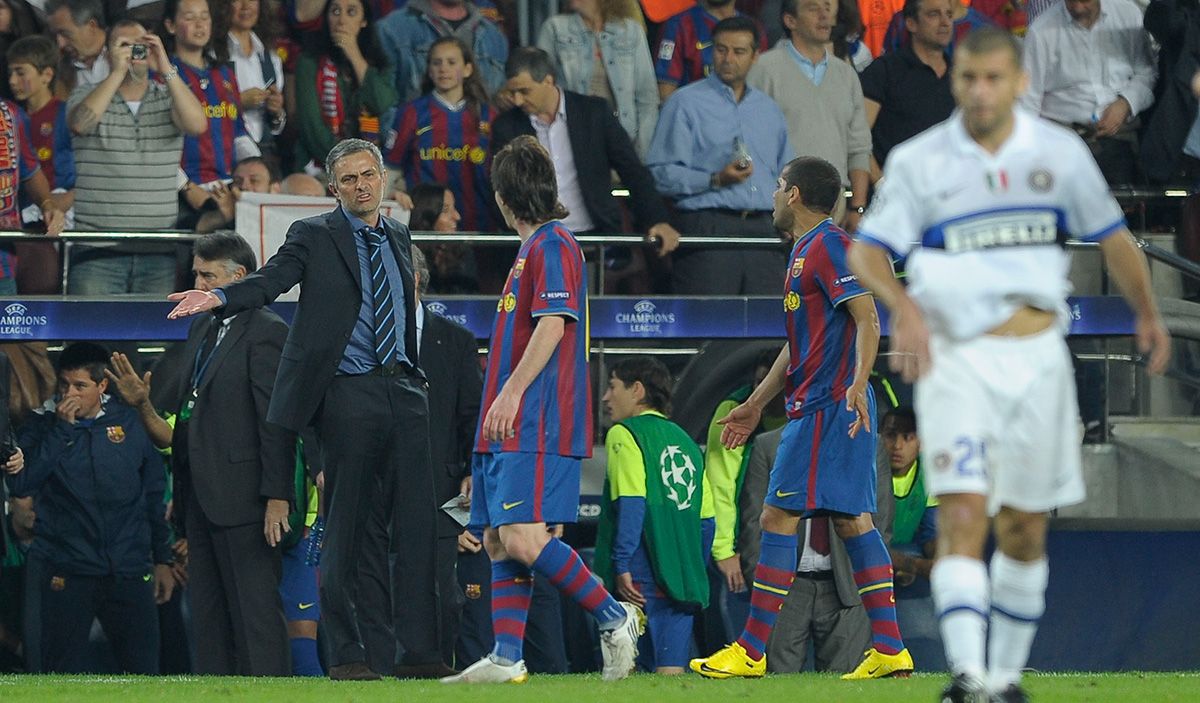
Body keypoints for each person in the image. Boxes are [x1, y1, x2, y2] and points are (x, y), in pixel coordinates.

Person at [847, 27, 1171, 701]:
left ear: (1020, 82)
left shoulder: (1058, 152)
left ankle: (1006, 678)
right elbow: (867, 250)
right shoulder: (920, 159)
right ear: (956, 81)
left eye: (994, 78)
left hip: (1037, 360)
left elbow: (1114, 237)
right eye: (969, 79)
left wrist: (1147, 311)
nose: (981, 91)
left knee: (1024, 526)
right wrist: (901, 305)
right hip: (957, 360)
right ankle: (967, 677)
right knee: (963, 513)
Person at [166, 137, 445, 681]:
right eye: (349, 179)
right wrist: (220, 298)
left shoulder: (398, 232)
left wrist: (416, 377)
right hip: (348, 393)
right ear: (334, 189)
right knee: (345, 531)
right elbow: (270, 282)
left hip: (405, 392)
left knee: (417, 528)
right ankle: (346, 656)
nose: (362, 186)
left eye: (369, 175)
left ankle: (420, 654)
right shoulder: (313, 235)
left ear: (382, 178)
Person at [690, 155, 911, 680]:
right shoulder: (805, 252)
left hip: (828, 405)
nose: (771, 194)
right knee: (852, 518)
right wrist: (758, 402)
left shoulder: (829, 246)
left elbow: (868, 317)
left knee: (776, 517)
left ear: (793, 195)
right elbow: (799, 346)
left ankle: (750, 650)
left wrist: (857, 384)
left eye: (777, 186)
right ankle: (890, 648)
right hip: (826, 402)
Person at [440, 135, 643, 684]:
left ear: (503, 197)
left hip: (537, 418)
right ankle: (508, 657)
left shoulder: (554, 245)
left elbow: (554, 325)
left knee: (526, 537)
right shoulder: (531, 251)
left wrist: (509, 393)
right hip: (507, 423)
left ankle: (613, 614)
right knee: (497, 538)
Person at [6, 342, 174, 674]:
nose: (70, 393)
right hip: (67, 568)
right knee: (61, 674)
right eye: (64, 384)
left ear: (102, 386)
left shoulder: (130, 422)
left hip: (128, 568)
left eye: (80, 386)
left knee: (144, 674)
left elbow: (154, 496)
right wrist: (62, 431)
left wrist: (163, 559)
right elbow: (22, 482)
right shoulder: (40, 426)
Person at [646, 17, 792, 295]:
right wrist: (714, 179)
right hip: (708, 225)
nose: (728, 59)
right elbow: (660, 173)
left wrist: (791, 219)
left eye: (738, 52)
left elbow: (787, 173)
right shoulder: (684, 103)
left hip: (765, 228)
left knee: (768, 325)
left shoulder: (769, 109)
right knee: (708, 324)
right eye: (721, 49)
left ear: (755, 56)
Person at [492, 48, 681, 254]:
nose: (518, 100)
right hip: (534, 243)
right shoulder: (506, 126)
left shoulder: (594, 113)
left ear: (548, 80)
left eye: (524, 91)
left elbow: (632, 170)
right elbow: (503, 188)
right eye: (512, 93)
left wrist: (657, 220)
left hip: (595, 237)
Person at [66, 19, 207, 294]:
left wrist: (165, 65)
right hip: (96, 249)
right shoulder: (85, 94)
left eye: (142, 45)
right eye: (125, 45)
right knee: (92, 336)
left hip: (158, 249)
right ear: (108, 54)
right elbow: (80, 124)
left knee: (153, 337)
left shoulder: (169, 97)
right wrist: (117, 72)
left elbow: (197, 125)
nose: (135, 52)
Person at [594, 357, 712, 675]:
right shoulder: (686, 441)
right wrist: (691, 568)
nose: (606, 397)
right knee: (671, 674)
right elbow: (706, 520)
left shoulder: (625, 433)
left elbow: (632, 503)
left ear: (637, 390)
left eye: (612, 386)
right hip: (682, 574)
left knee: (630, 673)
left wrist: (621, 564)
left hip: (639, 573)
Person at [736, 424, 875, 673]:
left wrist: (863, 586)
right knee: (777, 685)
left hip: (846, 588)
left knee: (843, 688)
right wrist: (765, 588)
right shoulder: (768, 445)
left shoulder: (867, 444)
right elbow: (752, 522)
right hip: (786, 590)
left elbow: (880, 520)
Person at [411, 244, 483, 665]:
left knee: (439, 592)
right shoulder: (363, 335)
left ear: (416, 281)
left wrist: (470, 479)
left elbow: (471, 418)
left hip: (441, 492)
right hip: (379, 490)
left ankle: (435, 672)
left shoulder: (455, 340)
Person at [747, 0, 872, 231]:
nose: (824, 15)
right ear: (790, 20)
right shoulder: (764, 69)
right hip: (779, 208)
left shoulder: (846, 75)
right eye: (813, 8)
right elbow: (752, 143)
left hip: (835, 208)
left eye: (827, 7)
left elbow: (859, 146)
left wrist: (857, 207)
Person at [1021, 0, 1156, 186]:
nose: (1078, 7)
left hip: (1119, 139)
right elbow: (1028, 101)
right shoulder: (1041, 30)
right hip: (1062, 140)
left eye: (1085, 1)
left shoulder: (1127, 14)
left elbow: (1147, 72)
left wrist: (1126, 103)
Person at [385, 36, 498, 232]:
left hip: (480, 226)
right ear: (429, 70)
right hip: (425, 227)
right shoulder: (411, 113)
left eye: (451, 62)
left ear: (468, 69)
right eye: (437, 63)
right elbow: (390, 168)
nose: (443, 68)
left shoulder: (489, 116)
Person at [537, 0, 658, 158]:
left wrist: (640, 153)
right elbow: (540, 89)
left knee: (620, 184)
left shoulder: (631, 31)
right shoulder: (555, 28)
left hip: (622, 139)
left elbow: (647, 98)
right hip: (572, 142)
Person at [293, 0, 397, 175]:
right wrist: (347, 165)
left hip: (369, 166)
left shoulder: (379, 65)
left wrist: (354, 55)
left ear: (364, 21)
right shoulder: (309, 62)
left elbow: (380, 104)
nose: (341, 20)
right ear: (326, 19)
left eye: (351, 12)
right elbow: (312, 129)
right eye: (334, 11)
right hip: (320, 168)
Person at [879, 405, 944, 671]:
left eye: (908, 437)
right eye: (891, 435)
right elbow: (863, 538)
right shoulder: (867, 473)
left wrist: (939, 561)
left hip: (905, 551)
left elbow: (930, 533)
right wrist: (911, 565)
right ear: (879, 436)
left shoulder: (930, 477)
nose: (898, 445)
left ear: (922, 442)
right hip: (864, 561)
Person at [859, 0, 955, 180]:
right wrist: (881, 185)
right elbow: (858, 137)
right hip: (896, 194)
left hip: (950, 195)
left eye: (949, 15)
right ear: (911, 23)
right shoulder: (884, 71)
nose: (945, 22)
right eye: (934, 14)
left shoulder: (960, 76)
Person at [376, 0, 509, 103]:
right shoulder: (391, 30)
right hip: (418, 135)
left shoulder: (494, 36)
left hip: (480, 136)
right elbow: (383, 103)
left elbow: (499, 100)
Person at [7, 35, 75, 228]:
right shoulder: (10, 117)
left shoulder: (67, 114)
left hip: (61, 214)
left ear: (46, 75)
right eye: (10, 72)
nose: (12, 81)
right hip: (20, 212)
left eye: (20, 73)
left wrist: (70, 198)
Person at [653, 0, 768, 101]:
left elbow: (762, 82)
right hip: (695, 118)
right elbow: (666, 93)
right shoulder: (679, 25)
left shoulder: (755, 29)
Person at [224, 0, 286, 154]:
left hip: (265, 153)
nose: (246, 6)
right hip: (228, 153)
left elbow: (276, 126)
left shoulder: (271, 58)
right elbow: (203, 111)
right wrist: (239, 102)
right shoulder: (215, 55)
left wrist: (276, 111)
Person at [46, 0, 110, 93]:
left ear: (92, 25)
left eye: (66, 34)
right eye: (55, 35)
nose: (61, 44)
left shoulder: (132, 44)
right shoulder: (60, 70)